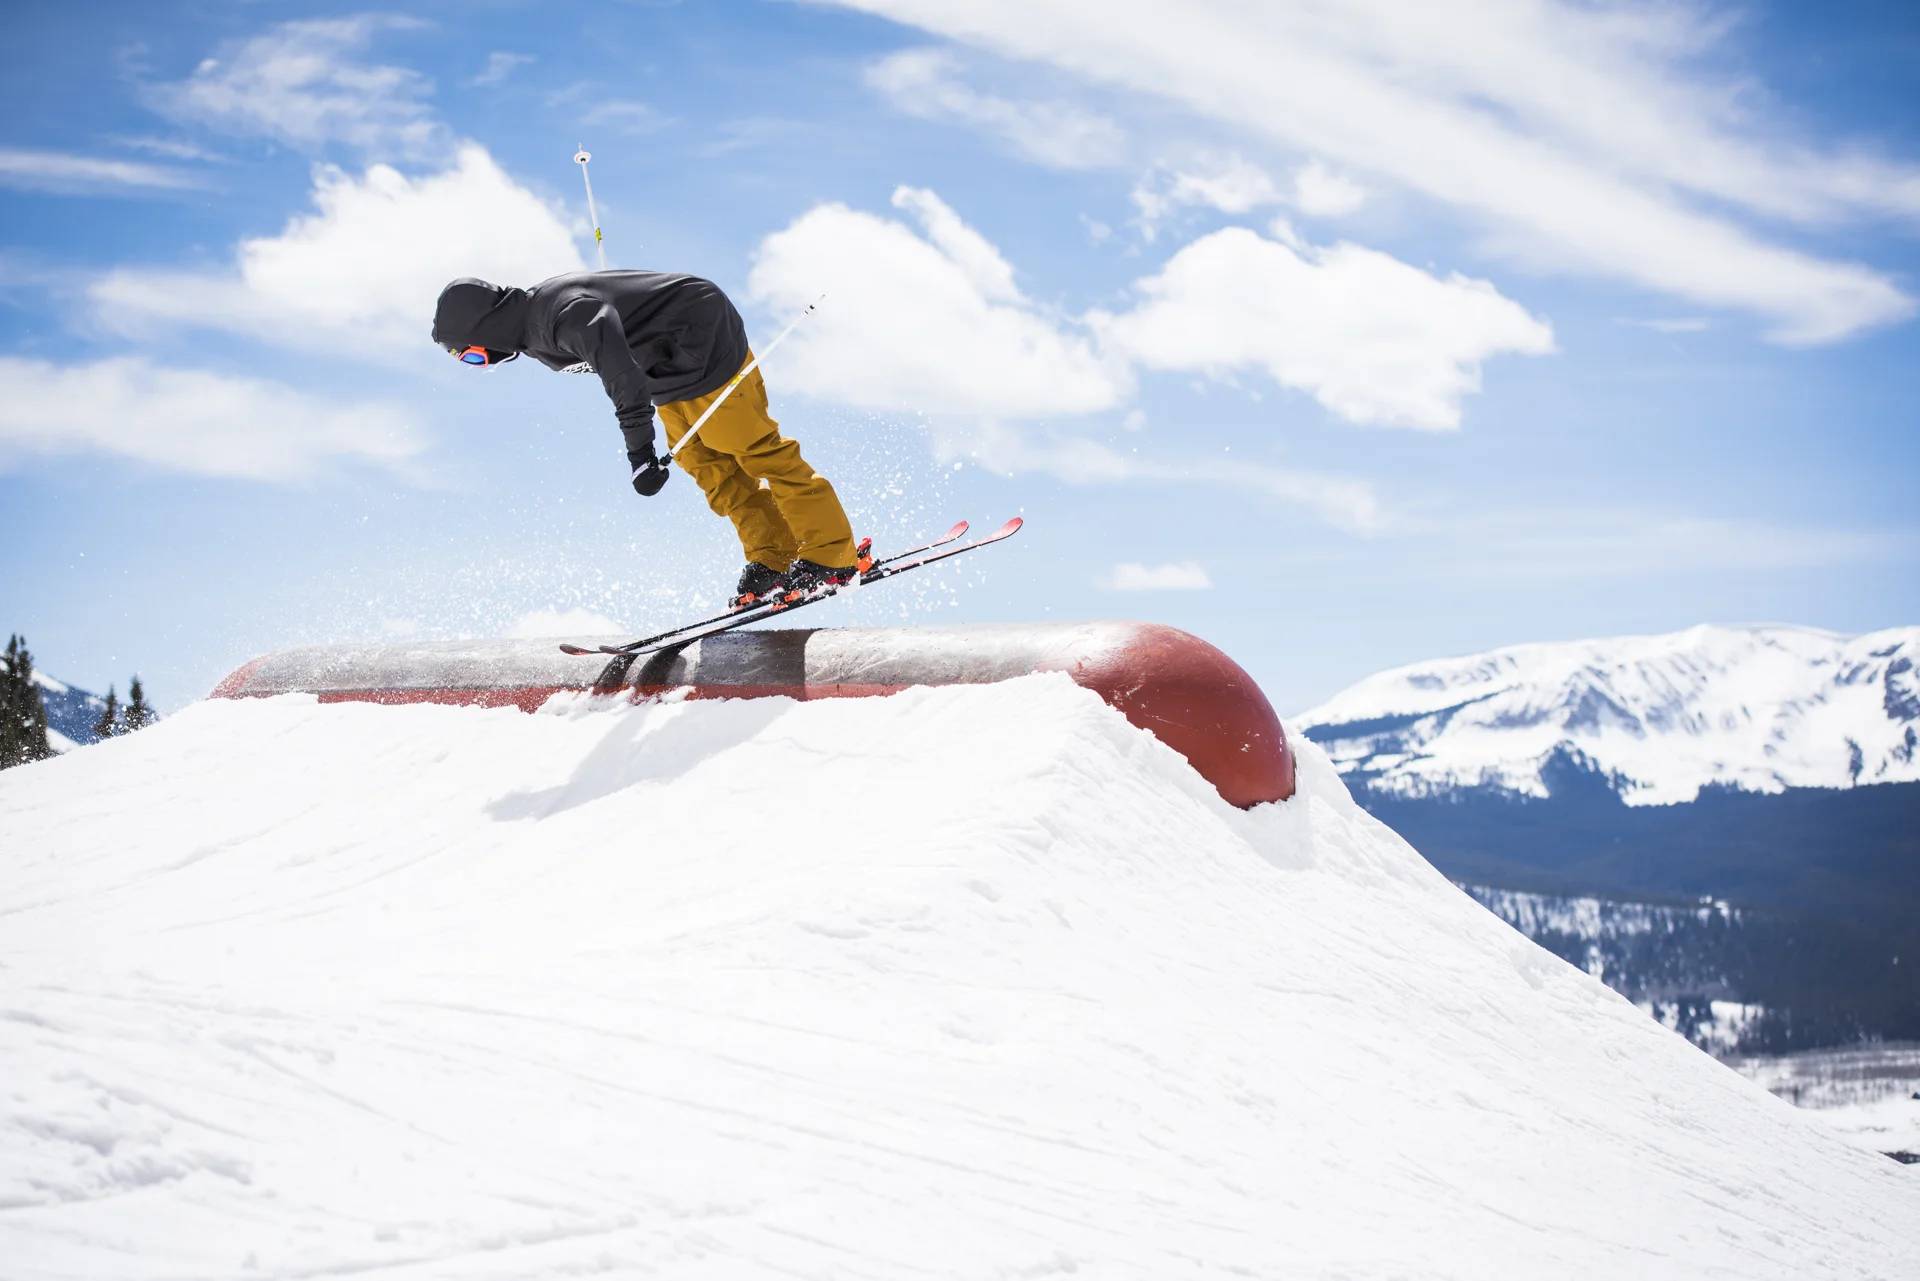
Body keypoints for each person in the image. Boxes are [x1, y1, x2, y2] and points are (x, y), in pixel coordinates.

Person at [431, 270, 860, 607]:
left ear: (483, 328)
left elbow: (622, 378)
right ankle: (775, 554)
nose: (484, 363)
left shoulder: (561, 315)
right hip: (665, 367)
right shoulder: (533, 334)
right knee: (702, 463)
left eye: (473, 355)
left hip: (702, 336)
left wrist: (640, 454)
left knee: (749, 447)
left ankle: (831, 553)